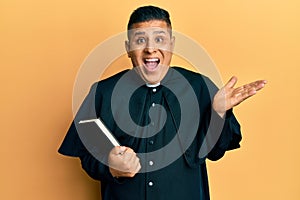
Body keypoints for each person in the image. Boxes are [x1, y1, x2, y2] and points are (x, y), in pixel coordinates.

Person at [58, 5, 266, 200]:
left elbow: (215, 152)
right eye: (140, 40)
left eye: (159, 39)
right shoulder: (103, 92)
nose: (150, 49)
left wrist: (218, 114)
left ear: (172, 45)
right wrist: (110, 167)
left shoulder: (199, 86)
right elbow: (86, 155)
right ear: (128, 47)